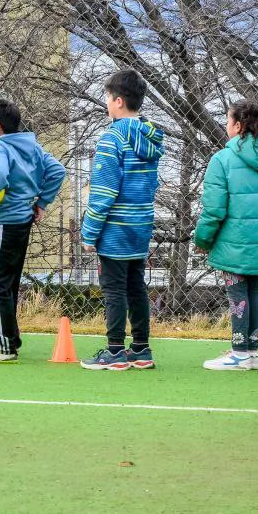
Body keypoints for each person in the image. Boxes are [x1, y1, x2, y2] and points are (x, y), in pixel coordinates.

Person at [193, 100, 258, 371]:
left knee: (237, 292)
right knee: (253, 290)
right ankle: (251, 351)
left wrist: (202, 240)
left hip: (232, 242)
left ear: (238, 126)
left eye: (228, 121)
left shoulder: (222, 160)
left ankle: (238, 352)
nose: (226, 126)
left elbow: (214, 210)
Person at [0, 99, 66, 364]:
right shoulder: (30, 145)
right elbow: (57, 170)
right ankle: (1, 338)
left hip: (1, 222)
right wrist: (41, 202)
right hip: (20, 222)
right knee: (5, 284)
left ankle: (4, 347)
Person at [79, 70, 165, 371]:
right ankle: (141, 349)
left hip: (115, 227)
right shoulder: (149, 137)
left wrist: (89, 233)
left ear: (117, 101)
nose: (105, 103)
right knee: (136, 286)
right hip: (140, 225)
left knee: (114, 289)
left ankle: (115, 351)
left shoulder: (111, 139)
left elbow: (103, 191)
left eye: (106, 98)